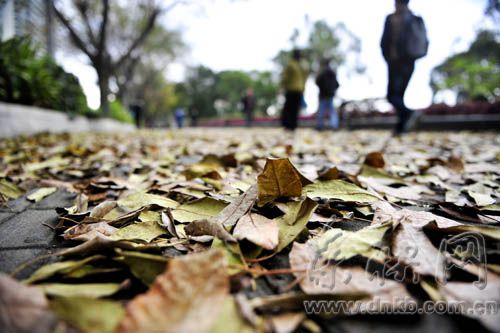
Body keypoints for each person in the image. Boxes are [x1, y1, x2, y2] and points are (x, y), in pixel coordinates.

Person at [381, 0, 428, 135]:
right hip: (404, 61)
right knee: (398, 95)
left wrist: (389, 56)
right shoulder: (413, 18)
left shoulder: (398, 19)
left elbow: (385, 41)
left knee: (393, 95)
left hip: (401, 61)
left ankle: (409, 114)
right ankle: (401, 128)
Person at [280, 49, 308, 131]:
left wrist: (282, 87)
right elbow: (305, 78)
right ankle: (293, 126)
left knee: (288, 108)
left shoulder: (291, 64)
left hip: (291, 89)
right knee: (295, 109)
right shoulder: (304, 65)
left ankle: (287, 125)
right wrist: (303, 88)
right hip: (299, 89)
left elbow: (286, 77)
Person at [315, 59, 340, 130]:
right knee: (332, 111)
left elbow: (317, 82)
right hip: (330, 95)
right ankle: (334, 125)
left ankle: (320, 126)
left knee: (321, 111)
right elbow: (337, 84)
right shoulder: (332, 73)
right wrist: (332, 90)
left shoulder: (322, 73)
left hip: (323, 95)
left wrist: (322, 88)